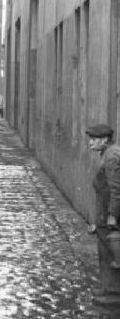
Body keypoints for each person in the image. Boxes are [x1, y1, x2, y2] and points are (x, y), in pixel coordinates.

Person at [86, 123, 120, 306]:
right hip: (103, 210)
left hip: (109, 211)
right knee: (104, 250)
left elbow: (116, 188)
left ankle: (114, 292)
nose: (90, 143)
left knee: (112, 251)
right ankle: (108, 287)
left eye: (94, 140)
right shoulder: (106, 153)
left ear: (105, 140)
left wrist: (113, 215)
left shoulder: (112, 156)